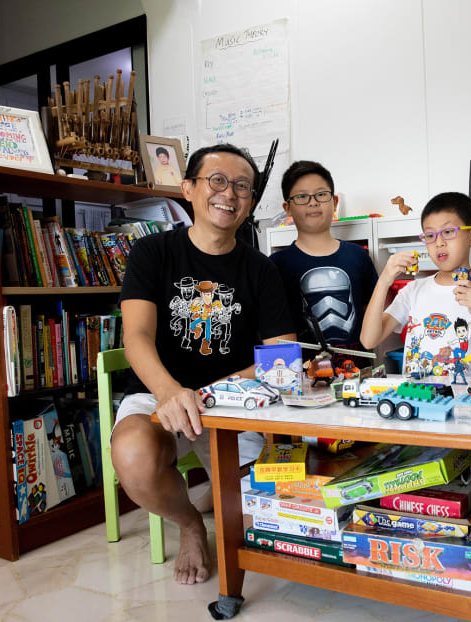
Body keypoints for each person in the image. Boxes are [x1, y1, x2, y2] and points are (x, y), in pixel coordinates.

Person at [112, 143, 295, 585]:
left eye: (242, 186)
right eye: (217, 181)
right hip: (159, 394)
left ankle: (217, 488)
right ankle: (191, 525)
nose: (229, 194)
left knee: (266, 516)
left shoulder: (261, 269)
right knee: (134, 455)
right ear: (188, 188)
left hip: (232, 401)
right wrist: (172, 393)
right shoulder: (151, 253)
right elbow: (135, 335)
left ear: (250, 202)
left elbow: (283, 355)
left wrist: (209, 395)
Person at [360, 192, 471, 379]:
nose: (439, 242)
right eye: (430, 235)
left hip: (467, 403)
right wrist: (383, 281)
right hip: (416, 398)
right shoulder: (412, 291)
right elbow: (368, 340)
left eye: (448, 232)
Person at [270, 161, 378, 367]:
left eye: (321, 194)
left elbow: (373, 317)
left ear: (334, 202)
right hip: (303, 384)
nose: (313, 203)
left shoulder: (358, 257)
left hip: (358, 378)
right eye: (302, 196)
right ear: (287, 208)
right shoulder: (276, 266)